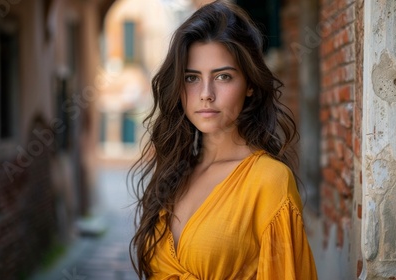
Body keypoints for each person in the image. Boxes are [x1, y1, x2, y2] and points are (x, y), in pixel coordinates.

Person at [129, 1, 317, 279]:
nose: (206, 93)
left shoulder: (269, 181)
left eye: (223, 76)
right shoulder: (174, 171)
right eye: (192, 78)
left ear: (250, 84)